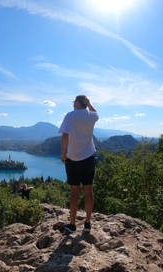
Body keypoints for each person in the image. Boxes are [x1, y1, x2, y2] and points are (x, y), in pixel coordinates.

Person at [58, 95, 99, 233]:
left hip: (74, 159)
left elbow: (65, 135)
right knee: (88, 191)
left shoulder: (70, 116)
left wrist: (63, 153)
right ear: (86, 103)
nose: (72, 104)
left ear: (77, 102)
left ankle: (73, 224)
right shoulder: (91, 116)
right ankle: (87, 223)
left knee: (74, 192)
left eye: (74, 101)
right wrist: (90, 104)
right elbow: (96, 113)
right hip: (88, 158)